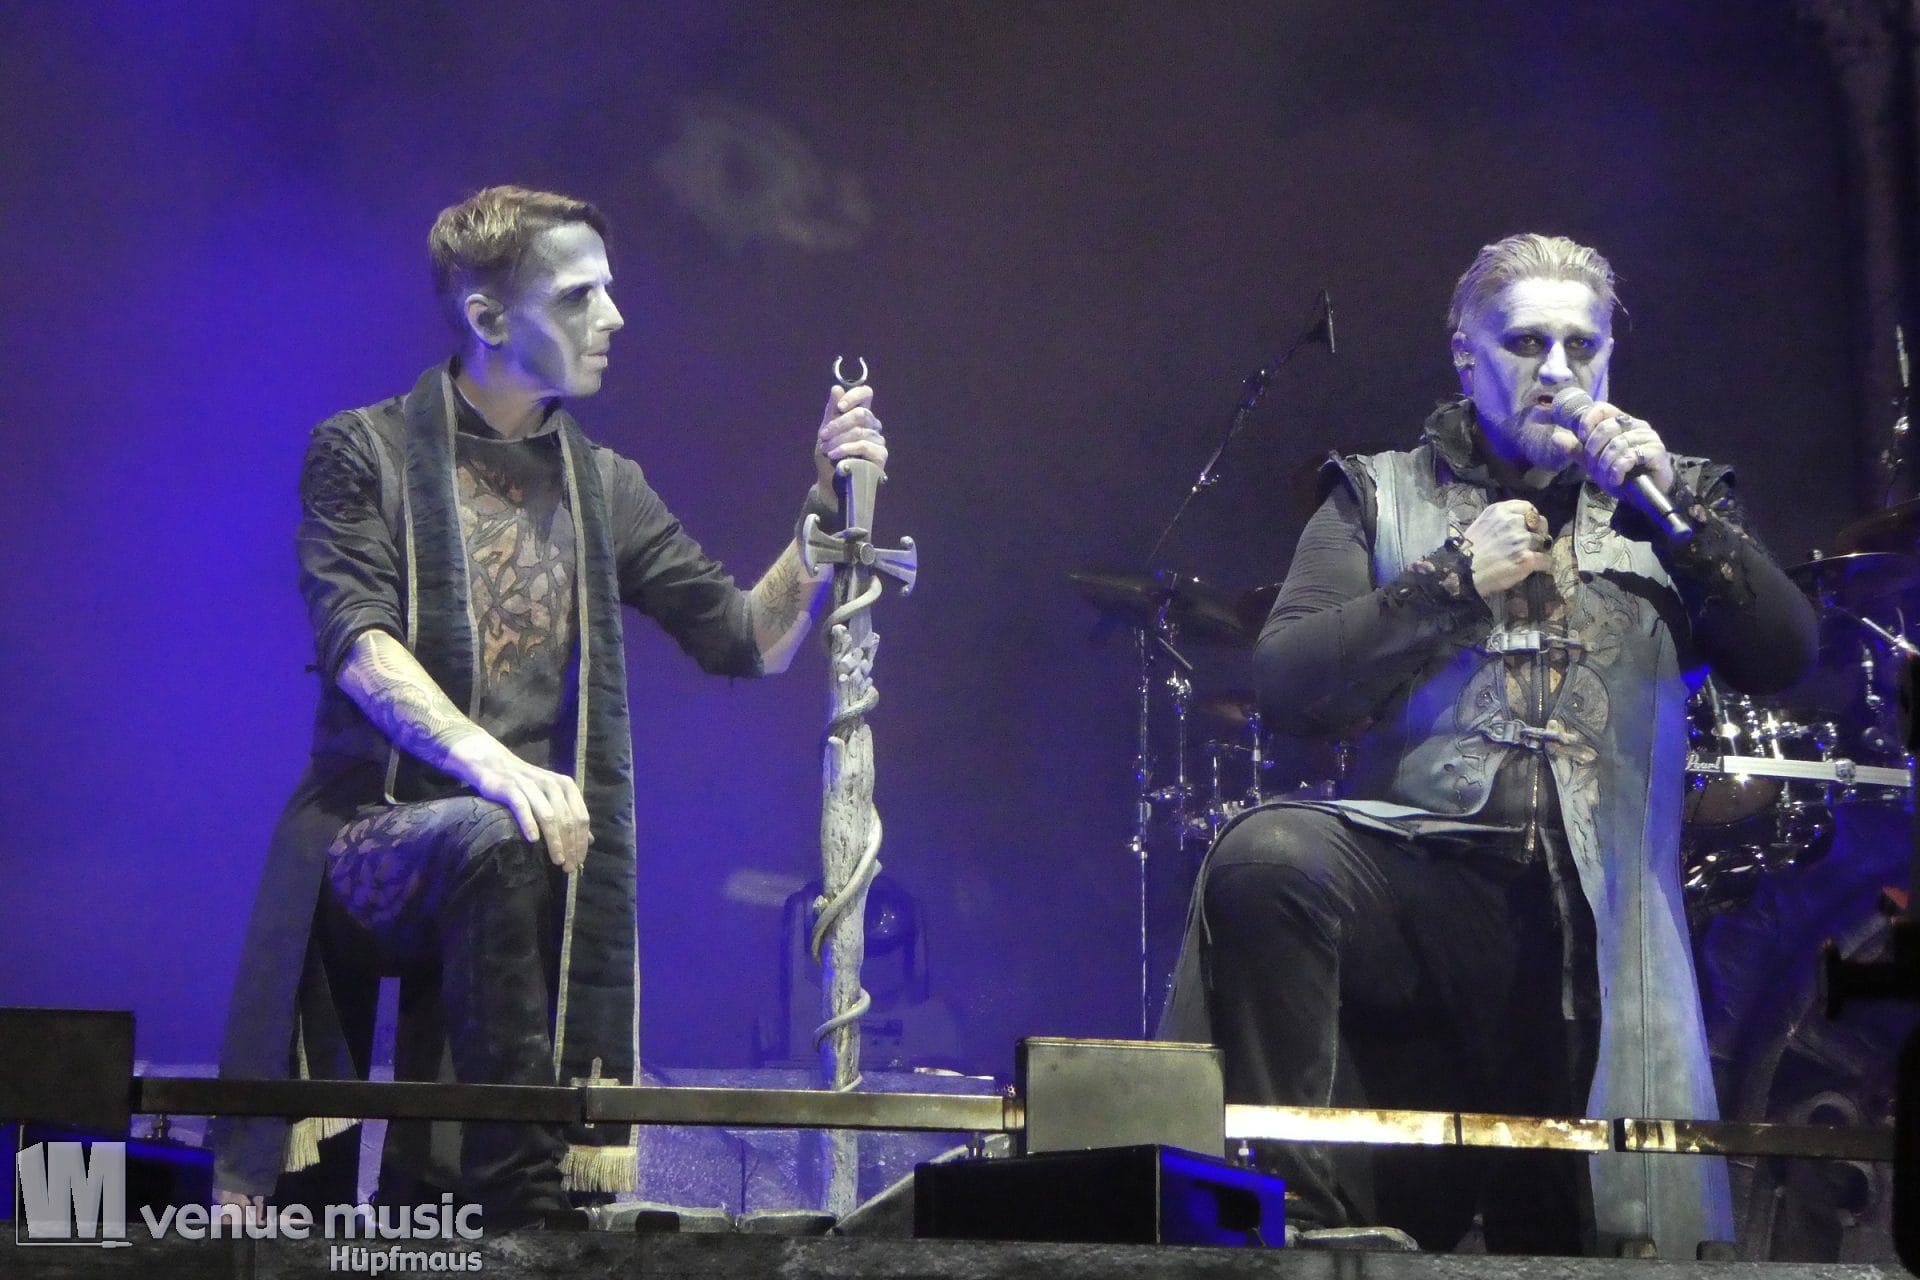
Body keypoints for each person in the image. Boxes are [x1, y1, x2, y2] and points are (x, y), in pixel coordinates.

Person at [210, 185, 887, 1229]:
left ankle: (462, 1201)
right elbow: (357, 642)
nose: (614, 316)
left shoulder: (603, 484)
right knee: (497, 834)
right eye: (579, 296)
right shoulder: (361, 450)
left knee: (505, 845)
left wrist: (822, 514)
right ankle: (527, 1210)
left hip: (514, 858)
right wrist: (499, 766)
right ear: (487, 316)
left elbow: (747, 639)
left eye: (608, 290)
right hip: (368, 837)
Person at [1161, 233, 1817, 1256]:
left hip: (1603, 915)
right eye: (1525, 342)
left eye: (1581, 345)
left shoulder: (1674, 497)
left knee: (1568, 1237)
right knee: (1267, 855)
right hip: (1422, 890)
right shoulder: (1376, 492)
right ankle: (1305, 1220)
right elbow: (1287, 682)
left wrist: (1680, 513)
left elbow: (1784, 654)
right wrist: (1449, 580)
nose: (1557, 370)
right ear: (1465, 357)